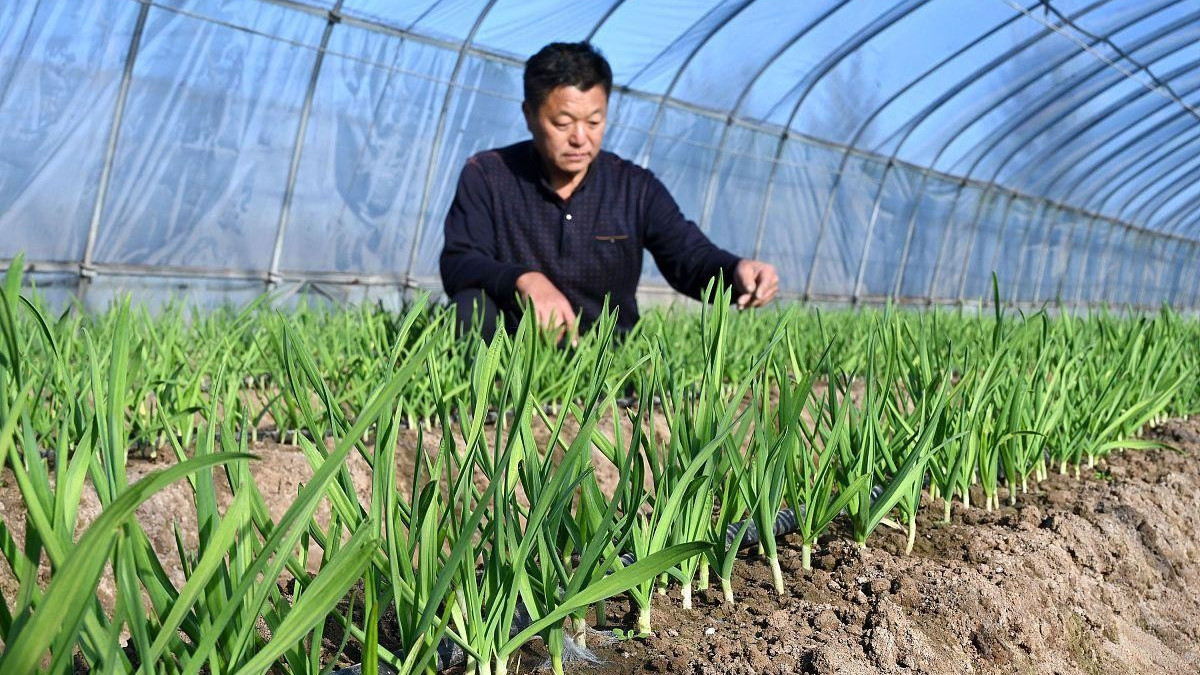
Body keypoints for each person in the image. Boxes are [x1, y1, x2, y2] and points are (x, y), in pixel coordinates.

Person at [439, 41, 778, 339]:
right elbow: (460, 261)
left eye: (594, 122)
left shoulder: (633, 188)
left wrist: (737, 271)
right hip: (516, 351)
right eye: (563, 123)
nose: (580, 138)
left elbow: (688, 257)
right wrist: (524, 279)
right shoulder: (489, 175)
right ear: (529, 115)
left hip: (605, 355)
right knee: (470, 307)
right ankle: (481, 403)